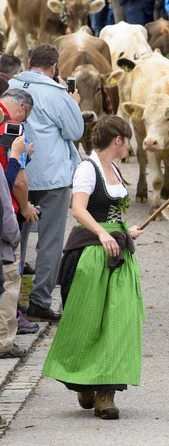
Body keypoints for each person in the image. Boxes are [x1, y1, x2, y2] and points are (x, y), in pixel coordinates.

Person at [42, 115, 146, 420]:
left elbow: (113, 214)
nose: (129, 146)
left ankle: (106, 394)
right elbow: (78, 208)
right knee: (87, 322)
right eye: (128, 141)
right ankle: (83, 381)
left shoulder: (114, 169)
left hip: (118, 254)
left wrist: (127, 230)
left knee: (119, 322)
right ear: (118, 141)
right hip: (90, 254)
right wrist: (102, 233)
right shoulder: (88, 169)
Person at [8, 43, 84, 322]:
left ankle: (11, 302)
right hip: (51, 175)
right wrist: (72, 104)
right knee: (50, 241)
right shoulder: (57, 92)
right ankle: (39, 301)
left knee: (16, 241)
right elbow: (75, 131)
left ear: (29, 62)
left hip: (16, 171)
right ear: (54, 68)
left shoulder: (11, 85)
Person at [0, 89, 40, 336]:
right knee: (7, 273)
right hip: (6, 208)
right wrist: (25, 207)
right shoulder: (13, 127)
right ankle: (10, 322)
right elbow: (17, 181)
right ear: (23, 109)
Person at [0, 135, 29, 359]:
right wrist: (14, 238)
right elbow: (6, 209)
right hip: (3, 248)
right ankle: (4, 343)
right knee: (7, 295)